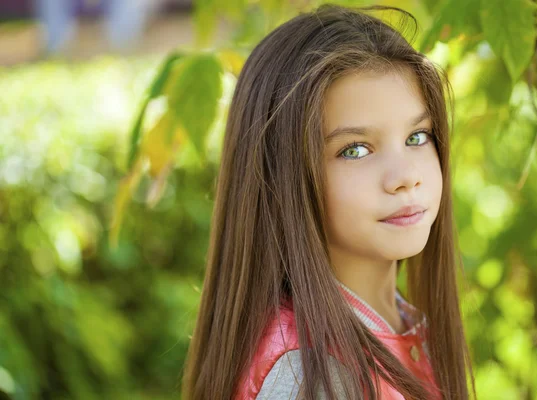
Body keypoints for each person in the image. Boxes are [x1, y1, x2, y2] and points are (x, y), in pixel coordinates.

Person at [182, 3, 475, 399]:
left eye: (417, 137)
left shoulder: (397, 323)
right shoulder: (310, 376)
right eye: (355, 150)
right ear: (282, 175)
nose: (406, 176)